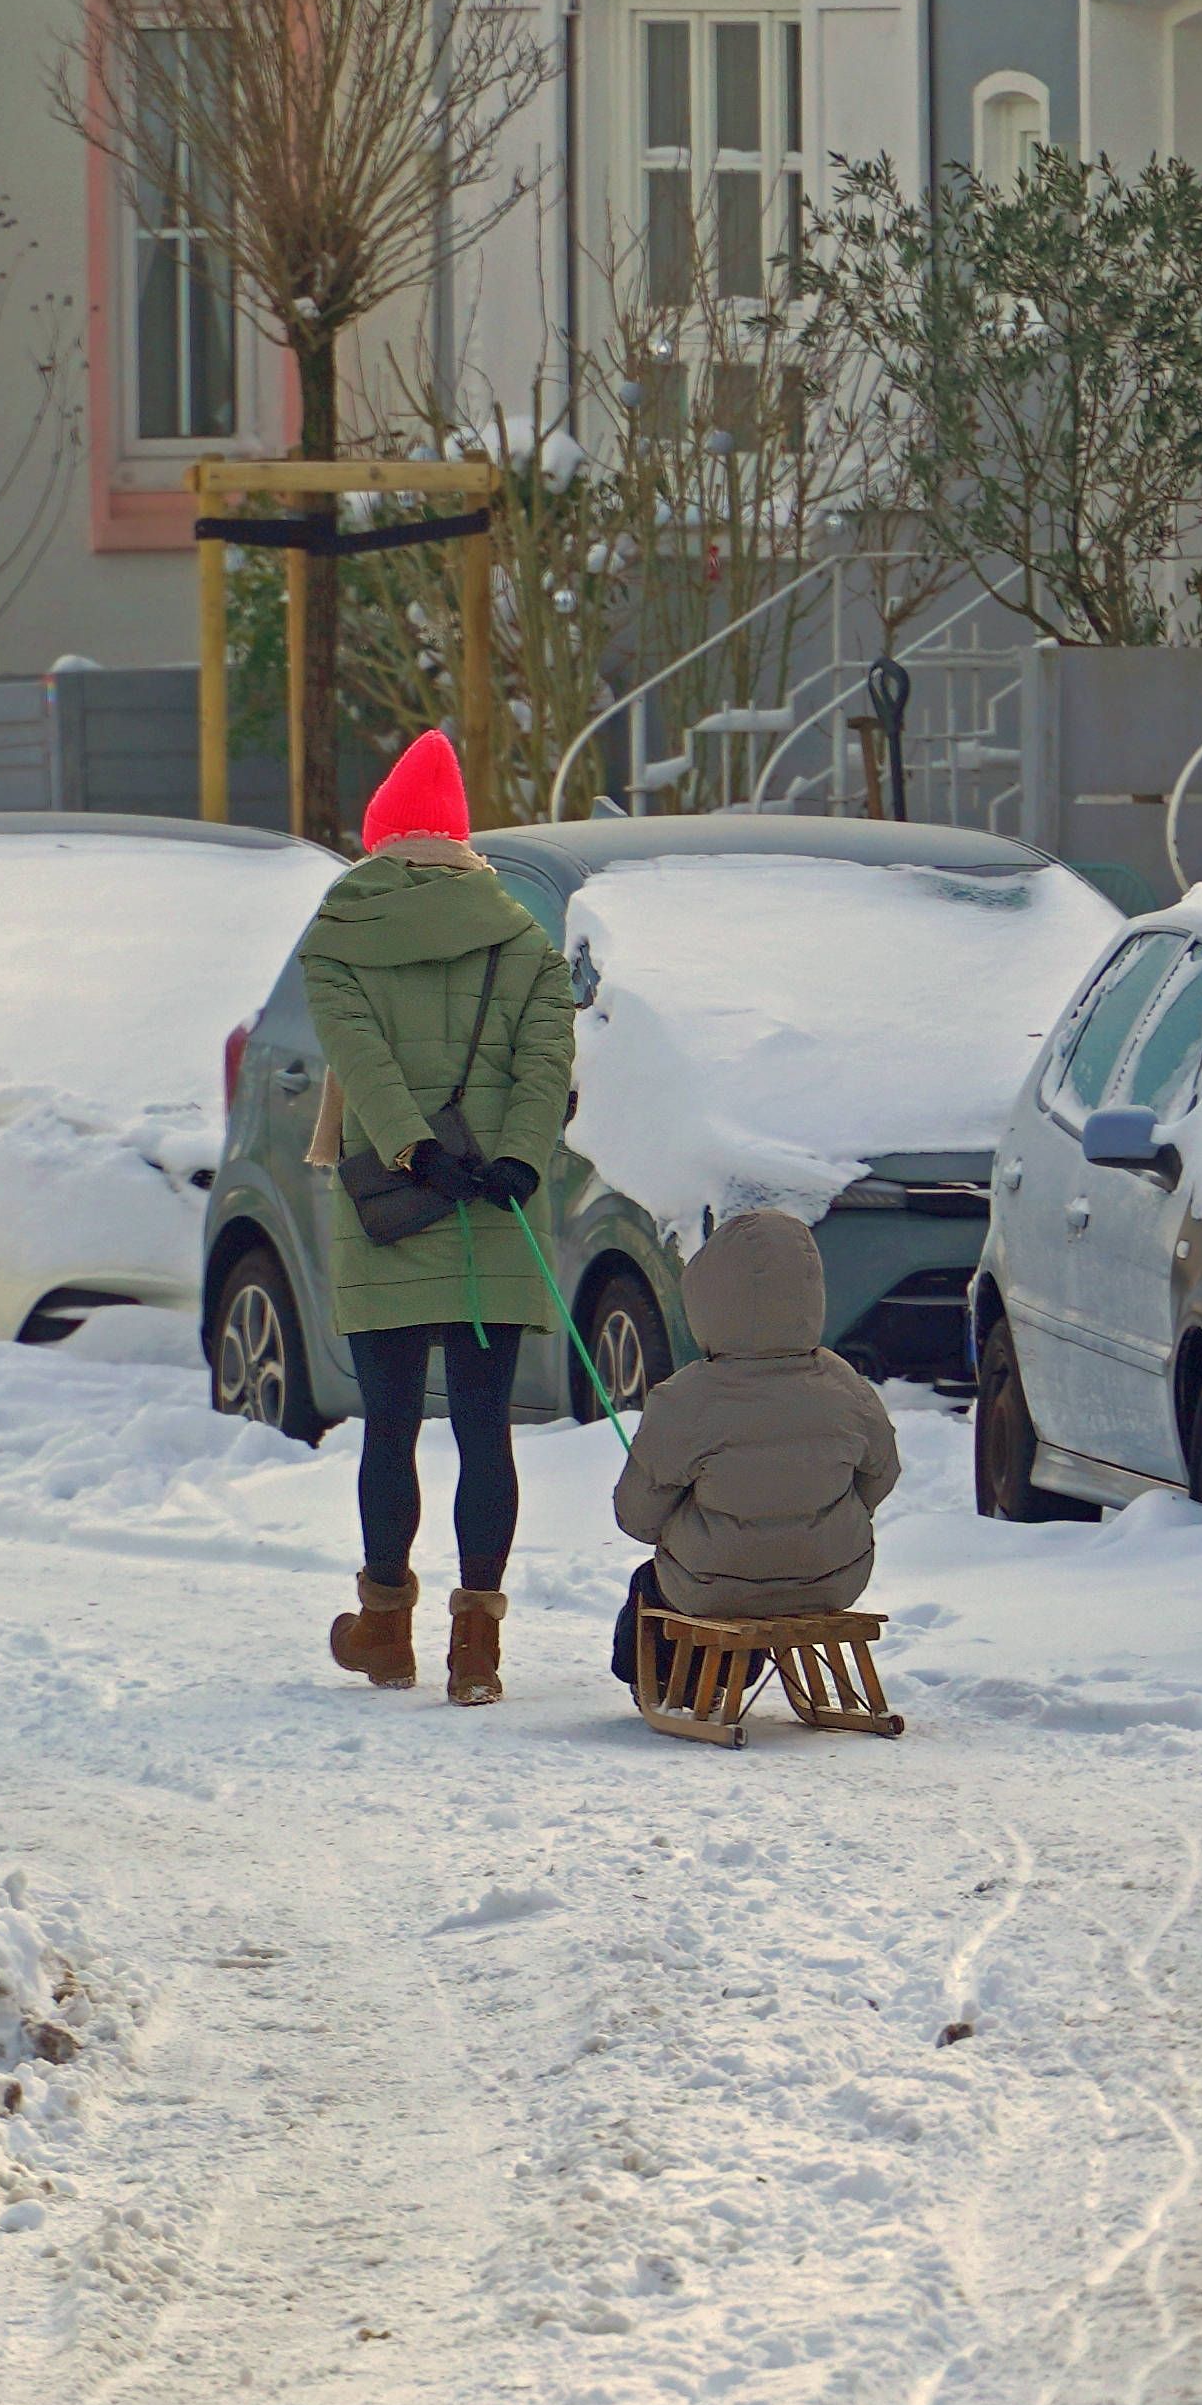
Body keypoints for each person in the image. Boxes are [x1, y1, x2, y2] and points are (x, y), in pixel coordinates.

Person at [296, 730, 574, 1707]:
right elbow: (544, 1068)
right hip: (494, 1208)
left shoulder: (339, 928)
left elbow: (355, 1050)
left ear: (381, 836)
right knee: (485, 1427)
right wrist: (513, 1160)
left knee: (389, 1427)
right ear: (459, 840)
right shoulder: (524, 938)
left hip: (387, 1202)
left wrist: (413, 1146)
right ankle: (477, 1650)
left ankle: (384, 1628)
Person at [608, 1207, 901, 1690]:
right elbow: (881, 1473)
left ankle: (672, 1678)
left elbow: (638, 1516)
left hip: (713, 1582)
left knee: (652, 1583)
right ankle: (732, 1668)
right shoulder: (843, 1385)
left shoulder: (686, 1398)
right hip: (832, 1576)